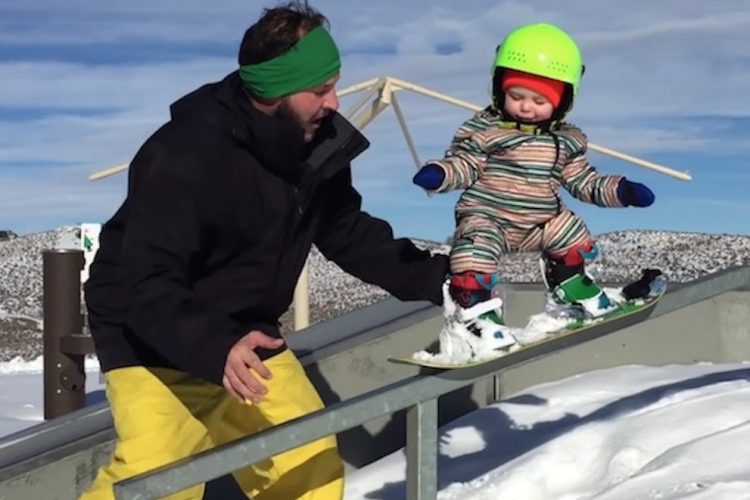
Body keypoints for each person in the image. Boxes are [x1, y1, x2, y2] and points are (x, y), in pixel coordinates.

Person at [80, 2, 448, 499]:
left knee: (309, 463)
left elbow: (349, 234)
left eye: (335, 84)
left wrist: (443, 280)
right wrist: (213, 348)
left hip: (246, 331)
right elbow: (146, 281)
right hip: (152, 337)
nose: (335, 103)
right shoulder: (184, 155)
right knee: (159, 481)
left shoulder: (315, 148)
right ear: (273, 91)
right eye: (320, 90)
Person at [412, 22, 654, 349]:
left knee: (568, 229)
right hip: (490, 219)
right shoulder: (485, 130)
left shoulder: (566, 141)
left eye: (539, 100)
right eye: (516, 96)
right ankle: (475, 315)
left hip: (540, 223)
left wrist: (621, 190)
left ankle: (570, 288)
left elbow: (583, 181)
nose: (526, 106)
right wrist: (441, 174)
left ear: (562, 101)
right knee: (473, 249)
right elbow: (465, 164)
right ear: (499, 91)